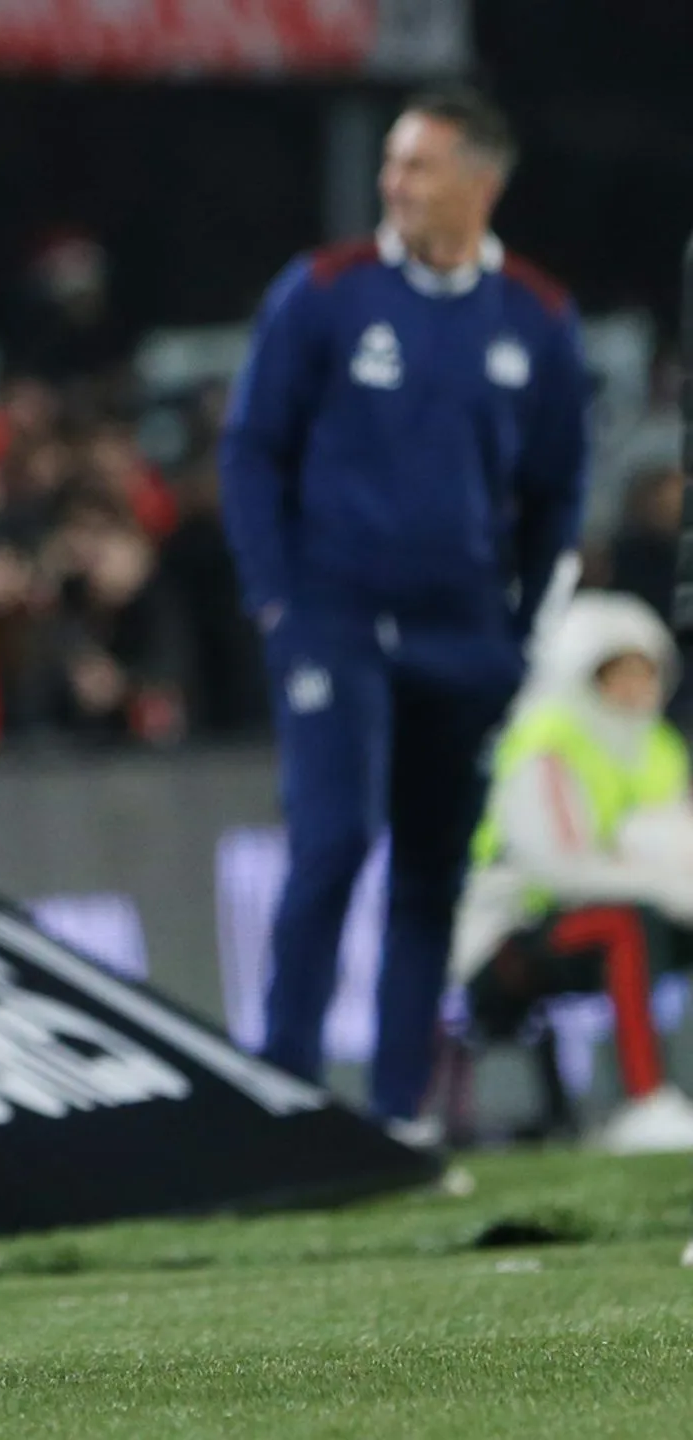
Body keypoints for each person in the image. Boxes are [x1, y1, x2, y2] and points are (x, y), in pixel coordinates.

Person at [220, 87, 589, 1139]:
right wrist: (278, 600)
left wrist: (519, 627)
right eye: (391, 162)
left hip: (466, 632)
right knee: (332, 839)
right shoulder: (325, 292)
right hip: (333, 618)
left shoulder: (536, 314)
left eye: (417, 165)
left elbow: (559, 487)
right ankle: (286, 1096)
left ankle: (392, 1116)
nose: (393, 183)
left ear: (482, 180)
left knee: (431, 869)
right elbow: (250, 449)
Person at [451, 592, 693, 1153]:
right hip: (512, 939)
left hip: (628, 912)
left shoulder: (660, 747)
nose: (635, 690)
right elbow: (558, 868)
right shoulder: (545, 741)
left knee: (637, 920)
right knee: (623, 925)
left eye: (645, 673)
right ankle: (644, 1102)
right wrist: (669, 885)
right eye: (617, 675)